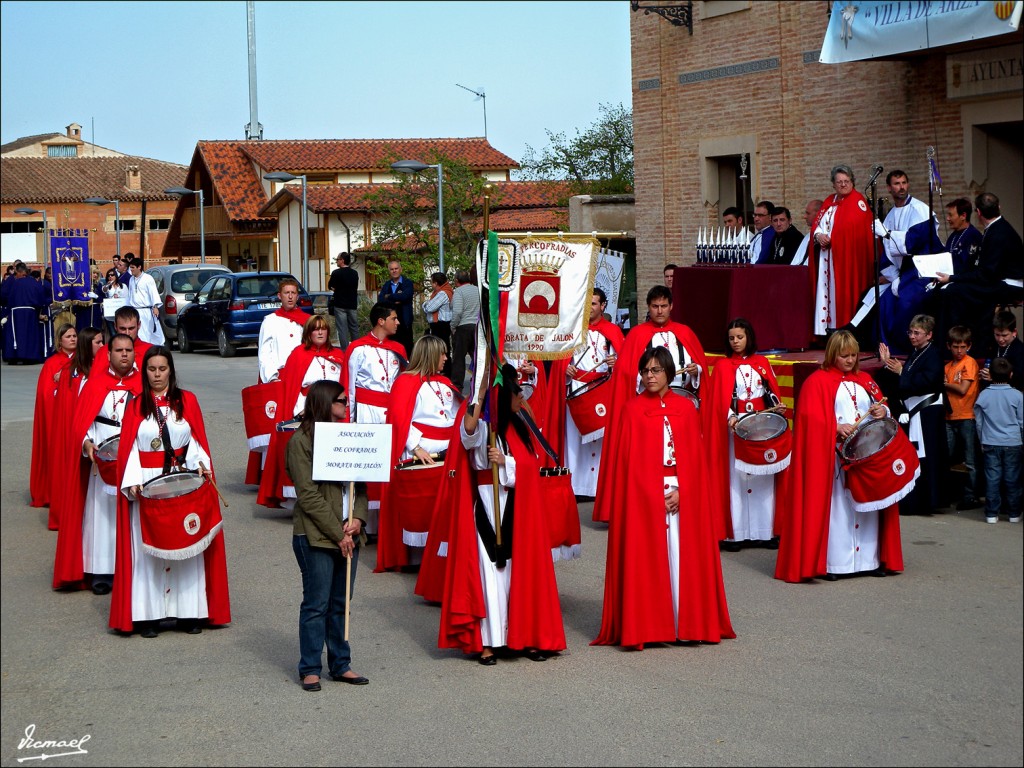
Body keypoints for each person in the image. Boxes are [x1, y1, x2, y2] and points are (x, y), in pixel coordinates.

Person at [592, 347, 735, 649]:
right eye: (645, 371)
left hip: (682, 491)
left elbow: (696, 461)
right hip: (644, 496)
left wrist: (684, 491)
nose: (650, 376)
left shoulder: (686, 409)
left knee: (683, 558)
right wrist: (650, 493)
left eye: (656, 370)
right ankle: (651, 626)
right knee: (648, 560)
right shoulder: (632, 410)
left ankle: (687, 624)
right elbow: (628, 465)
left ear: (669, 372)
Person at [439, 364, 567, 665]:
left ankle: (523, 636)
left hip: (516, 506)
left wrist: (507, 462)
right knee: (489, 575)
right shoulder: (484, 426)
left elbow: (531, 468)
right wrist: (481, 392)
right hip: (486, 503)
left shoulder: (521, 427)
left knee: (517, 574)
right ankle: (488, 642)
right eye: (516, 392)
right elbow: (467, 434)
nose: (521, 396)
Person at [110, 346, 231, 637]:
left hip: (181, 483)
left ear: (171, 371)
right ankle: (148, 617)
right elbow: (129, 447)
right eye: (152, 369)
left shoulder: (187, 400)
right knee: (149, 551)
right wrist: (133, 479)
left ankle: (188, 613)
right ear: (145, 372)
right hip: (147, 484)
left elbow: (196, 441)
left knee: (186, 546)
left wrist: (201, 465)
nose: (157, 375)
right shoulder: (135, 405)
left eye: (162, 369)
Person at [775, 331, 904, 583]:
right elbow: (808, 420)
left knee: (868, 506)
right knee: (839, 508)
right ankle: (835, 562)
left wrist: (882, 411)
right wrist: (834, 427)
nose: (850, 360)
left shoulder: (866, 379)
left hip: (867, 456)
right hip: (833, 458)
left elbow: (883, 407)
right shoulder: (816, 382)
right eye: (844, 356)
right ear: (833, 354)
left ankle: (869, 560)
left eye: (853, 355)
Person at [592, 285, 708, 523]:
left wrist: (696, 370)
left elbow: (701, 368)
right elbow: (625, 373)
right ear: (648, 307)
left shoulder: (685, 332)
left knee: (686, 454)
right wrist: (648, 379)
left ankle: (688, 499)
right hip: (648, 407)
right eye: (655, 306)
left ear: (671, 306)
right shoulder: (637, 335)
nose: (660, 311)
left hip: (682, 404)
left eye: (664, 306)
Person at [286, 379, 369, 691]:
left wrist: (358, 518)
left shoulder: (347, 436)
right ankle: (310, 667)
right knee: (316, 603)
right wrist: (337, 532)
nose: (346, 406)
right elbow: (307, 495)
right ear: (325, 403)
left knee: (340, 602)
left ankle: (340, 664)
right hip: (316, 536)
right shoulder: (301, 441)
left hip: (348, 532)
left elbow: (362, 483)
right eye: (341, 401)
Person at [52, 334, 142, 594]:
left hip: (132, 457)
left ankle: (133, 569)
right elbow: (82, 423)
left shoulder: (143, 384)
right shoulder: (94, 383)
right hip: (100, 460)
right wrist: (87, 444)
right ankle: (102, 571)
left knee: (132, 515)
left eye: (128, 350)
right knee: (101, 518)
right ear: (109, 354)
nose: (124, 354)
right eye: (118, 350)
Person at [704, 319, 787, 550]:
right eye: (731, 338)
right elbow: (719, 400)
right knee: (736, 480)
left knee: (762, 478)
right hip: (736, 428)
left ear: (748, 337)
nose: (736, 342)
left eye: (740, 337)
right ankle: (736, 534)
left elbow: (770, 391)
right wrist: (730, 416)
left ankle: (764, 532)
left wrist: (776, 406)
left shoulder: (762, 363)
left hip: (761, 427)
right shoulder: (722, 366)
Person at [377, 335, 457, 574]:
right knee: (421, 508)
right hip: (423, 451)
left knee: (444, 506)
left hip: (448, 452)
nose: (446, 358)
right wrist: (415, 447)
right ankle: (418, 559)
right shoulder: (406, 382)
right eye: (442, 353)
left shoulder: (445, 382)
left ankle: (440, 557)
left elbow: (455, 415)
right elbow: (399, 418)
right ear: (430, 355)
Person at [258, 314, 346, 509]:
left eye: (323, 328)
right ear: (308, 333)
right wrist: (305, 410)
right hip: (307, 410)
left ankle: (333, 498)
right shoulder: (298, 355)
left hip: (334, 413)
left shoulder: (338, 355)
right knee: (309, 457)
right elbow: (293, 388)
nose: (320, 332)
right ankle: (307, 499)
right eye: (316, 329)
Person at [551, 288, 624, 497]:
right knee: (575, 440)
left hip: (603, 389)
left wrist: (616, 363)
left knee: (603, 441)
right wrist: (565, 370)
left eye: (593, 303)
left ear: (603, 306)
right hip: (578, 388)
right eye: (586, 303)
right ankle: (576, 487)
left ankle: (600, 486)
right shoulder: (571, 330)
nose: (589, 308)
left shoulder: (613, 331)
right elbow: (560, 361)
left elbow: (625, 364)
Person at [344, 302, 408, 536]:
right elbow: (349, 387)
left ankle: (390, 522)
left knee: (390, 465)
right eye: (394, 318)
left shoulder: (399, 349)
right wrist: (350, 421)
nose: (398, 322)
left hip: (391, 413)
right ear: (381, 321)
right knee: (368, 465)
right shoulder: (358, 348)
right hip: (367, 412)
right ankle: (366, 523)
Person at [930, 192, 1024, 344]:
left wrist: (952, 278)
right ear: (999, 207)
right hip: (997, 279)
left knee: (954, 292)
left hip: (1009, 285)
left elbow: (986, 275)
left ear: (978, 212)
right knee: (952, 289)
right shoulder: (997, 227)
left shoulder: (997, 233)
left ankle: (966, 341)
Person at [879, 314, 947, 515]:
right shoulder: (917, 352)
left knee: (927, 456)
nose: (912, 336)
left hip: (927, 413)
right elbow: (904, 377)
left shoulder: (933, 354)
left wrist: (902, 372)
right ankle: (914, 500)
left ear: (929, 335)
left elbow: (927, 381)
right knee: (914, 455)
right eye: (910, 332)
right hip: (915, 411)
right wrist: (888, 364)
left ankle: (927, 501)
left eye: (917, 333)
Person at [873, 171, 942, 355]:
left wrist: (887, 234)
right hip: (903, 273)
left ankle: (906, 350)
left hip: (922, 270)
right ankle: (887, 350)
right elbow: (886, 252)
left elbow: (912, 243)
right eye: (897, 183)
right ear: (889, 188)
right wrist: (894, 277)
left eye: (904, 182)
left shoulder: (920, 210)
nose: (901, 187)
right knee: (885, 302)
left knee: (906, 302)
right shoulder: (890, 216)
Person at [809, 165, 877, 335]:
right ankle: (824, 332)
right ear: (833, 184)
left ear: (852, 182)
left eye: (847, 181)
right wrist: (818, 236)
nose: (843, 184)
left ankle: (842, 331)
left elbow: (856, 234)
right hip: (826, 260)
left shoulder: (857, 202)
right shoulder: (829, 200)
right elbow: (817, 225)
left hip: (846, 261)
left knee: (842, 295)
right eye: (839, 182)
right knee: (826, 293)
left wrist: (835, 240)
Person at [48, 327, 103, 531]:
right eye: (98, 342)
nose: (102, 346)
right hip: (78, 434)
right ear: (87, 345)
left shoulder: (104, 369)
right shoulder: (71, 373)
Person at [30, 323, 77, 510]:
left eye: (74, 336)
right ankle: (53, 492)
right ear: (59, 341)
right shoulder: (51, 363)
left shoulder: (81, 360)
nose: (72, 339)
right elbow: (45, 393)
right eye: (68, 336)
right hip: (55, 415)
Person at [973, 358, 1022, 524]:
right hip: (1013, 442)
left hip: (990, 441)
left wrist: (981, 440)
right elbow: (1022, 422)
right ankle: (1014, 513)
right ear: (1011, 374)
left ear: (991, 375)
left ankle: (991, 514)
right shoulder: (1017, 395)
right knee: (1012, 478)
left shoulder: (984, 395)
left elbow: (979, 422)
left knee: (992, 478)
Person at [944, 326, 981, 511]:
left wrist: (945, 383)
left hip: (967, 416)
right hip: (949, 416)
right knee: (948, 456)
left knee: (970, 460)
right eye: (955, 347)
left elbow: (963, 389)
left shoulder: (970, 362)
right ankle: (951, 493)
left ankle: (970, 496)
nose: (959, 351)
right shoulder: (947, 367)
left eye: (963, 347)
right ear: (949, 346)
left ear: (969, 346)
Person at [256, 278, 309, 385]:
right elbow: (264, 353)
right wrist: (271, 377)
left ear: (297, 296)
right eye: (286, 293)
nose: (290, 296)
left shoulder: (307, 320)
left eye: (293, 293)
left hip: (304, 375)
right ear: (279, 296)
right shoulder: (270, 321)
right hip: (279, 376)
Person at [1, 261, 48, 364]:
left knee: (16, 335)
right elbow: (41, 296)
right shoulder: (34, 282)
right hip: (30, 313)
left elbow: (5, 295)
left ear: (20, 272)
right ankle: (29, 357)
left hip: (15, 313)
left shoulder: (14, 282)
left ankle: (14, 357)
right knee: (29, 335)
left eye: (16, 273)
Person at [90, 306, 153, 376]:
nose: (127, 333)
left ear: (139, 325)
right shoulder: (103, 351)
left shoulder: (151, 351)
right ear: (115, 326)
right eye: (123, 329)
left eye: (131, 328)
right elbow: (94, 380)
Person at [449, 269, 479, 396]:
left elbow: (457, 312)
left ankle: (457, 388)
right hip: (477, 326)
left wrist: (453, 326)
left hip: (463, 327)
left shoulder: (459, 292)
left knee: (459, 359)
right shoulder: (477, 290)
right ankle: (479, 384)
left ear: (457, 281)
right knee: (477, 358)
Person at [979, 311, 1024, 393]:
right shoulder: (993, 345)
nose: (1000, 339)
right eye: (997, 335)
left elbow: (1020, 379)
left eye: (1004, 335)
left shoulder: (1020, 350)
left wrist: (994, 377)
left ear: (1014, 332)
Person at [377, 259, 414, 358]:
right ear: (389, 271)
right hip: (390, 323)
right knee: (392, 350)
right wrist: (396, 299)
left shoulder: (407, 283)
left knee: (406, 350)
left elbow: (405, 296)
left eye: (396, 268)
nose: (394, 271)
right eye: (392, 269)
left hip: (404, 322)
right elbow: (381, 300)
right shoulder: (387, 285)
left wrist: (389, 296)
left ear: (400, 269)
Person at [125, 256, 165, 345]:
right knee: (137, 332)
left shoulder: (148, 278)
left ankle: (148, 349)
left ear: (139, 267)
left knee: (147, 332)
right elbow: (130, 295)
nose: (131, 270)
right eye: (130, 267)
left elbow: (153, 293)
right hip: (135, 311)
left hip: (146, 311)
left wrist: (155, 306)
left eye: (133, 267)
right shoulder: (131, 279)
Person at [421, 272, 453, 378]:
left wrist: (424, 304)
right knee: (439, 348)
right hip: (439, 325)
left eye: (431, 282)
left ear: (435, 283)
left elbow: (429, 307)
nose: (431, 284)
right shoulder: (440, 292)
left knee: (441, 349)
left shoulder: (442, 293)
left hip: (441, 325)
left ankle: (445, 372)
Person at [327, 252, 359, 350]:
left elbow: (330, 286)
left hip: (340, 305)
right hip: (352, 304)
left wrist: (337, 289)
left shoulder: (336, 273)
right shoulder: (354, 273)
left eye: (337, 259)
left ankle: (345, 351)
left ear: (342, 260)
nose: (337, 261)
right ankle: (356, 348)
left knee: (342, 329)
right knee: (354, 328)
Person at [791, 199, 824, 266]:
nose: (804, 216)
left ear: (819, 214)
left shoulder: (823, 237)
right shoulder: (807, 236)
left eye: (808, 213)